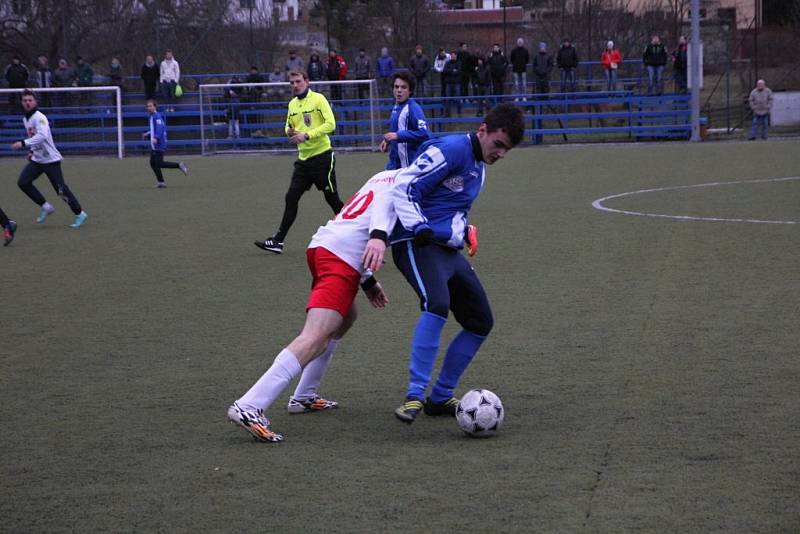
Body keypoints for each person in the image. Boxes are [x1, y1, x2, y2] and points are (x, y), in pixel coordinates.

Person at [229, 169, 396, 442]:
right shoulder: (409, 185)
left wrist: (367, 281)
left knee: (345, 318)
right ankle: (249, 406)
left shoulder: (382, 177)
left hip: (323, 247)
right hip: (338, 259)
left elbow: (356, 225)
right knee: (315, 336)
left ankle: (304, 396)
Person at [387, 103, 525, 423]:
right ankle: (414, 395)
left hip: (446, 250)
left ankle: (440, 397)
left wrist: (465, 231)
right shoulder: (451, 149)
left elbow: (453, 205)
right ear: (482, 130)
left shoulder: (479, 164)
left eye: (507, 150)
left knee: (480, 321)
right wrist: (418, 225)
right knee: (436, 303)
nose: (501, 154)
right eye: (498, 144)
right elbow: (404, 185)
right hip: (415, 242)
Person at [254, 70, 344, 254]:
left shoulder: (318, 99)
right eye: (292, 83)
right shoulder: (292, 104)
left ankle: (362, 236)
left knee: (332, 200)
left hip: (322, 158)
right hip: (303, 161)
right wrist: (289, 131)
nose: (295, 85)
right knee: (291, 197)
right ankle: (278, 241)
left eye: (298, 81)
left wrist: (307, 135)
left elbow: (331, 124)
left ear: (307, 82)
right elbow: (288, 125)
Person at [10, 90, 88, 228]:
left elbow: (42, 136)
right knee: (23, 182)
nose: (27, 103)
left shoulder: (40, 117)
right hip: (38, 159)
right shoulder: (26, 119)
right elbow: (34, 137)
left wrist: (23, 143)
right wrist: (31, 151)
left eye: (30, 100)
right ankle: (45, 206)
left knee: (61, 190)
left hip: (50, 160)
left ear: (35, 102)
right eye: (25, 100)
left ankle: (80, 213)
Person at [381, 72, 429, 170]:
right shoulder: (396, 107)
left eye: (403, 87)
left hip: (408, 168)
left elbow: (424, 133)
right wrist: (387, 141)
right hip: (394, 165)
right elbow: (397, 130)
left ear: (410, 91)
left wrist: (398, 136)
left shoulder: (414, 108)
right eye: (396, 87)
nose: (399, 90)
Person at [142, 99, 188, 188]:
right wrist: (147, 133)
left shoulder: (156, 116)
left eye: (151, 106)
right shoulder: (152, 116)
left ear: (155, 106)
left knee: (159, 163)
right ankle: (161, 182)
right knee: (152, 163)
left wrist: (156, 137)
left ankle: (179, 165)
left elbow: (160, 127)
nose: (149, 107)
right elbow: (154, 128)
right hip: (155, 144)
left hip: (159, 143)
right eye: (148, 106)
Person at [442, 50, 462, 117]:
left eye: (454, 55)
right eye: (452, 55)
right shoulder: (447, 63)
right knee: (448, 98)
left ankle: (459, 112)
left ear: (456, 56)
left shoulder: (459, 63)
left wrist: (450, 71)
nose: (453, 56)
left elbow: (459, 71)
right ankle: (447, 113)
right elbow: (444, 71)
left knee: (458, 98)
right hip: (448, 83)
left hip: (456, 82)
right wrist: (452, 70)